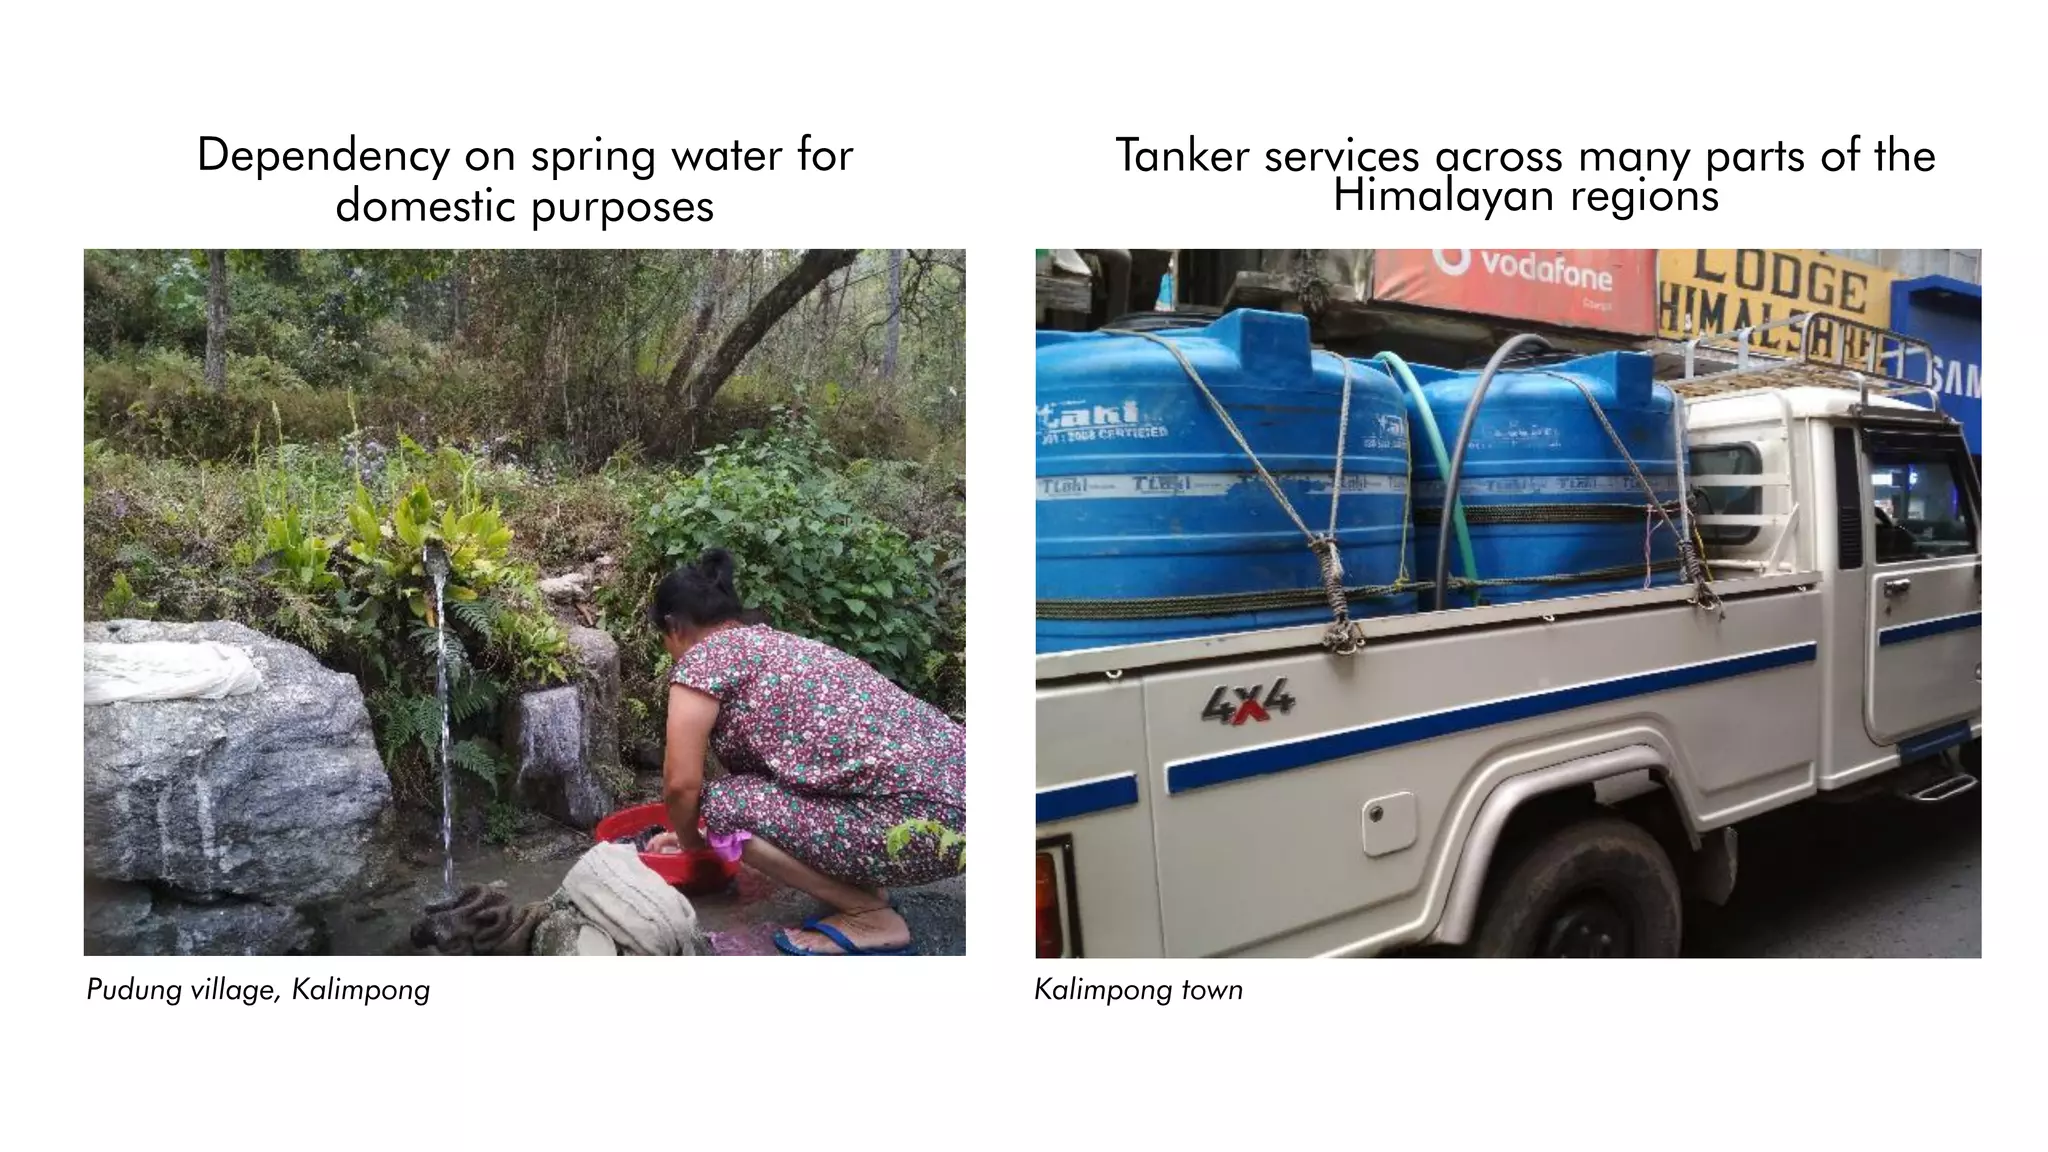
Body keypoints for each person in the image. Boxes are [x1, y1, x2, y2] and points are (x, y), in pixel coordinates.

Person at [643, 548, 966, 955]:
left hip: (922, 829)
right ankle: (865, 886)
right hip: (959, 814)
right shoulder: (780, 645)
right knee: (767, 792)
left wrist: (693, 845)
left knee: (724, 804)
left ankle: (868, 915)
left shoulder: (703, 660)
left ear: (672, 627)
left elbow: (681, 785)